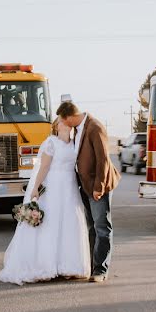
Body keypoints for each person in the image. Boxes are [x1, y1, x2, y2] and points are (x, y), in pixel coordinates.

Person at [0, 119, 90, 284]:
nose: (66, 123)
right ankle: (46, 265)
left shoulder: (75, 142)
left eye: (67, 120)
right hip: (52, 187)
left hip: (69, 189)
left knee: (68, 224)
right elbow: (44, 167)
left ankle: (68, 266)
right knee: (51, 224)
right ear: (56, 126)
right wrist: (35, 188)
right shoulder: (51, 143)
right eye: (62, 121)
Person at [57, 101, 119, 282]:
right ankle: (93, 267)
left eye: (63, 119)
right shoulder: (77, 129)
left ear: (69, 116)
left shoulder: (95, 127)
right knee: (92, 227)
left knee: (102, 228)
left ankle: (101, 270)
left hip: (97, 187)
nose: (63, 123)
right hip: (85, 186)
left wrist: (99, 188)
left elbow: (103, 161)